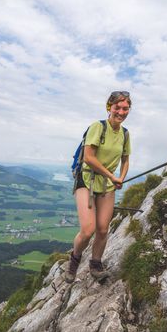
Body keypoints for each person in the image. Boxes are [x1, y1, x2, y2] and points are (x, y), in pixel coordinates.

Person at [65, 91, 131, 283]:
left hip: (107, 184)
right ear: (109, 107)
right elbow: (89, 158)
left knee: (103, 229)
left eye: (125, 108)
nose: (121, 111)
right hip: (87, 179)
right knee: (88, 229)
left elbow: (126, 159)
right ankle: (74, 262)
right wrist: (112, 176)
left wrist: (122, 177)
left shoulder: (125, 134)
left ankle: (95, 265)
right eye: (117, 107)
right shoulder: (98, 127)